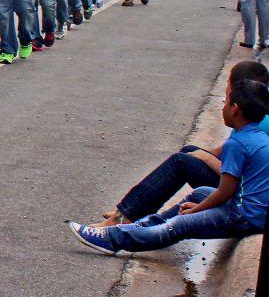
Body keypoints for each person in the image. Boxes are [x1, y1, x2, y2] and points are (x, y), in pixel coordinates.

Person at [69, 76, 269, 255]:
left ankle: (113, 240)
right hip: (249, 209)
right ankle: (137, 226)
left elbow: (225, 191)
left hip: (244, 215)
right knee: (199, 192)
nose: (223, 107)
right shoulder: (257, 136)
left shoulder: (238, 143)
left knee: (180, 224)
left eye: (225, 102)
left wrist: (196, 210)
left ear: (235, 109)